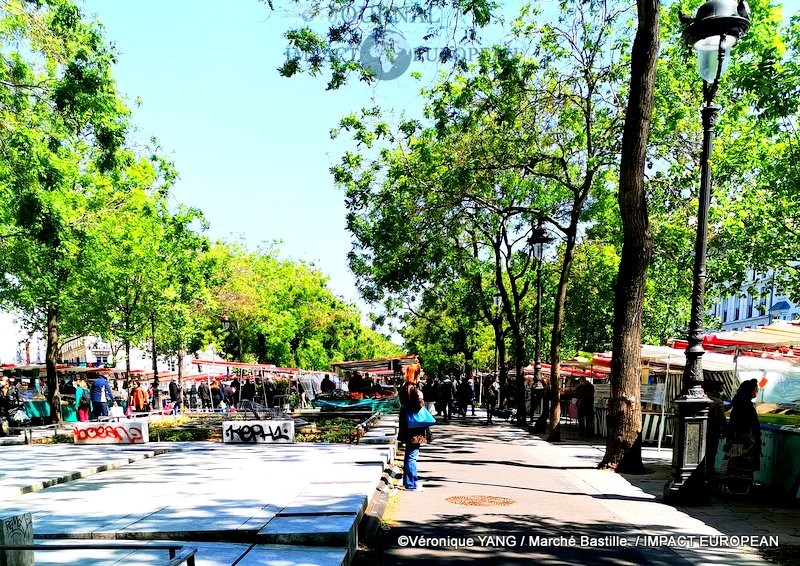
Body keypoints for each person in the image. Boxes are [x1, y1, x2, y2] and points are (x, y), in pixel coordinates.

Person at [721, 379, 762, 495]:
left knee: (734, 462)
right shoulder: (746, 405)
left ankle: (733, 484)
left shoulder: (739, 403)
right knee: (742, 462)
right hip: (744, 440)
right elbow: (749, 424)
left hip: (737, 439)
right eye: (755, 389)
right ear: (750, 390)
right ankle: (740, 486)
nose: (757, 391)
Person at [398, 362, 428, 491]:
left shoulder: (404, 388)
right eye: (419, 373)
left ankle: (411, 481)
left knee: (410, 454)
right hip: (414, 427)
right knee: (412, 455)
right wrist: (421, 399)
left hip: (407, 424)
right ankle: (411, 483)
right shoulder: (413, 390)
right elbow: (417, 407)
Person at [705, 380, 727, 481]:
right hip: (713, 431)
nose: (723, 387)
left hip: (704, 429)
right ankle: (709, 472)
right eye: (722, 386)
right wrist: (725, 430)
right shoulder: (718, 402)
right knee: (711, 452)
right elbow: (722, 419)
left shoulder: (705, 398)